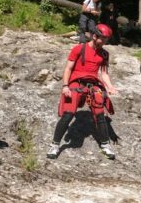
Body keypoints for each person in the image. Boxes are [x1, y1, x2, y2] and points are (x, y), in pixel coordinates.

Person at [47, 24, 118, 160]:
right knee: (68, 113)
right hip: (76, 83)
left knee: (100, 114)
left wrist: (110, 87)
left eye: (106, 40)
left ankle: (105, 145)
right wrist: (65, 86)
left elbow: (104, 74)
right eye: (102, 39)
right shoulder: (79, 49)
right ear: (94, 36)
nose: (104, 42)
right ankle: (55, 145)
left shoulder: (104, 54)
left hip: (93, 84)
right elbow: (68, 68)